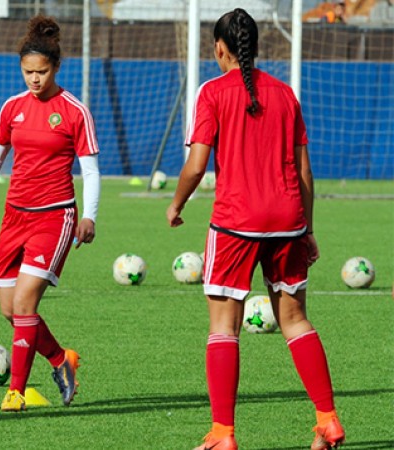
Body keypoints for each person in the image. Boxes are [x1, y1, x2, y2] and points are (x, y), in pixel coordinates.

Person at [166, 9, 345, 450]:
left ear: (219, 49)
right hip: (287, 220)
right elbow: (304, 170)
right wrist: (308, 228)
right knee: (296, 320)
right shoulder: (285, 94)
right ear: (257, 48)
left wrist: (176, 203)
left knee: (224, 327)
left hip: (234, 222)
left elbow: (196, 164)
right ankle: (328, 420)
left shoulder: (212, 92)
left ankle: (223, 434)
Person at [0, 15, 101, 412]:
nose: (34, 79)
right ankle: (61, 360)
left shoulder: (74, 110)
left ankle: (15, 392)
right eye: (28, 71)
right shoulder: (12, 108)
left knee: (26, 303)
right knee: (10, 309)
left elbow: (91, 169)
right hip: (14, 217)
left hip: (55, 217)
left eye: (42, 72)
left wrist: (90, 215)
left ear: (56, 68)